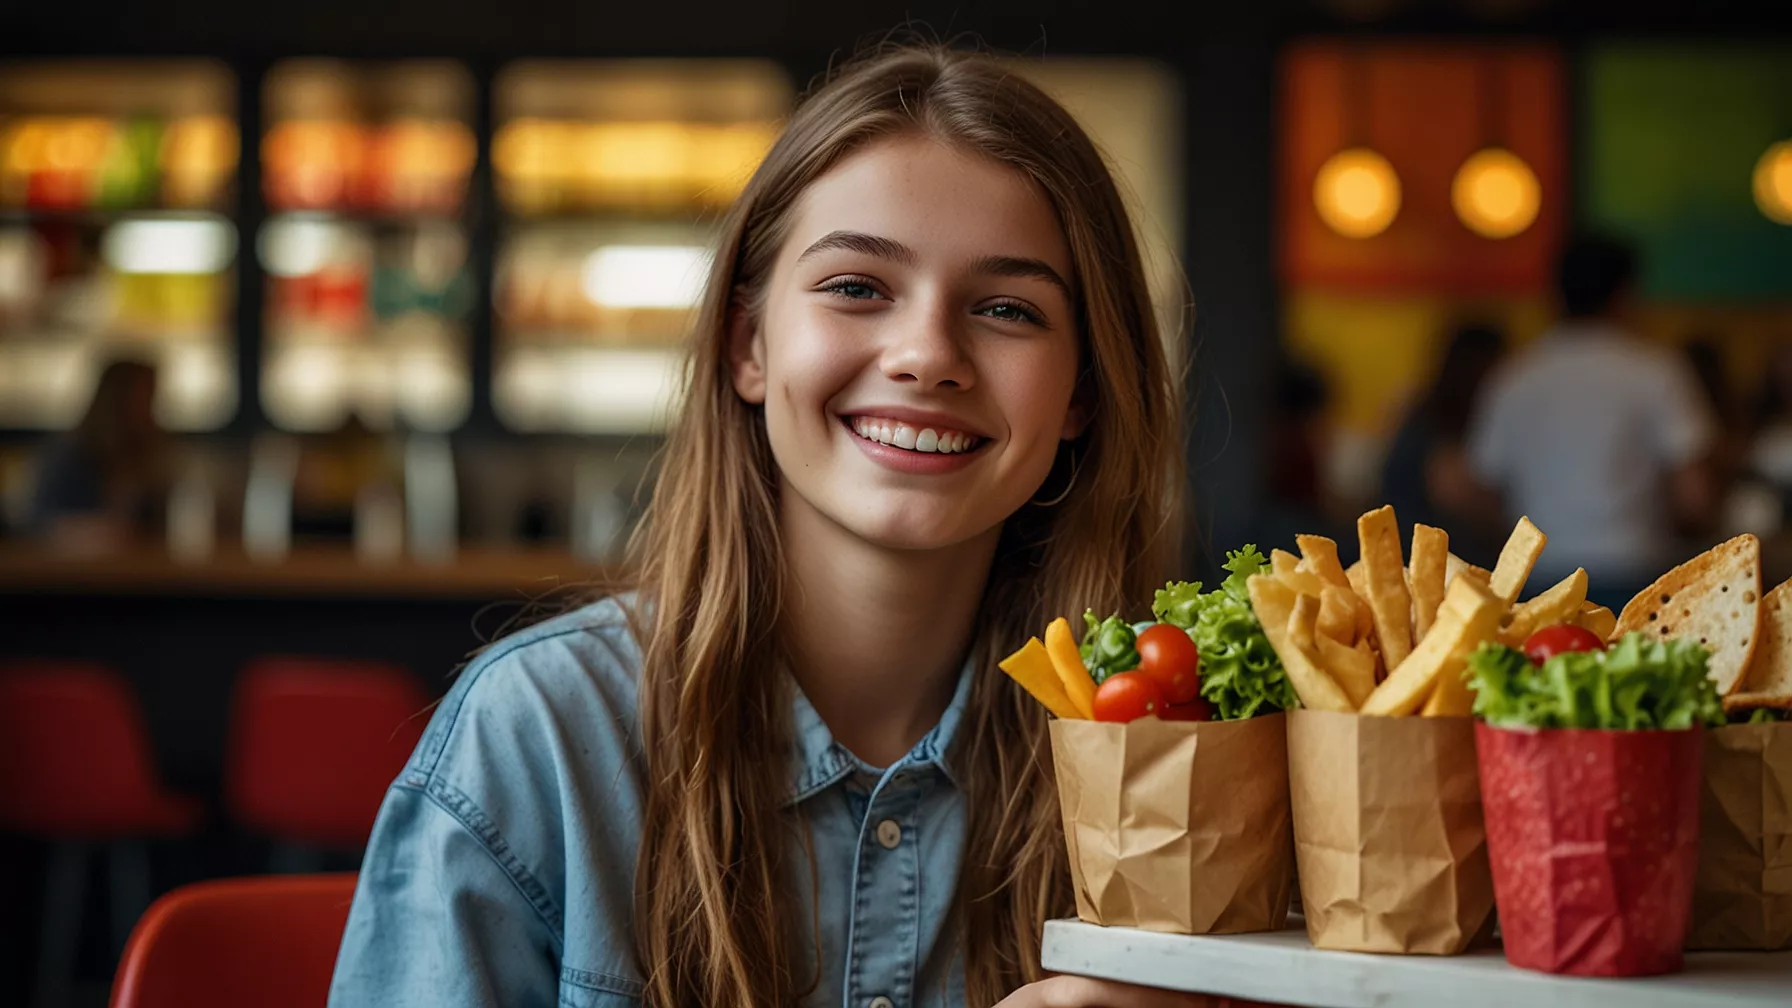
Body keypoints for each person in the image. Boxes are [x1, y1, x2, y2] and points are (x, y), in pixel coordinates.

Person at [329, 46, 1208, 1008]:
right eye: (857, 287)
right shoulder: (537, 739)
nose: (926, 356)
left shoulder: (1183, 766)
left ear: (1083, 388)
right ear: (749, 345)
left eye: (1007, 308)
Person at [1467, 236, 1716, 609]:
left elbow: (1482, 488)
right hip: (1635, 568)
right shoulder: (1655, 372)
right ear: (1624, 294)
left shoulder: (1515, 377)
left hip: (1541, 573)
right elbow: (1694, 495)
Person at [1380, 324, 1507, 569]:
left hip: (1406, 555)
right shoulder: (1440, 424)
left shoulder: (1415, 413)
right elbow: (1453, 493)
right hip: (1431, 566)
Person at [30, 358, 170, 552]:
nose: (152, 409)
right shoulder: (70, 454)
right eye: (146, 397)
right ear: (118, 399)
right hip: (65, 575)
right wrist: (96, 531)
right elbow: (37, 524)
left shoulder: (152, 455)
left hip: (134, 573)